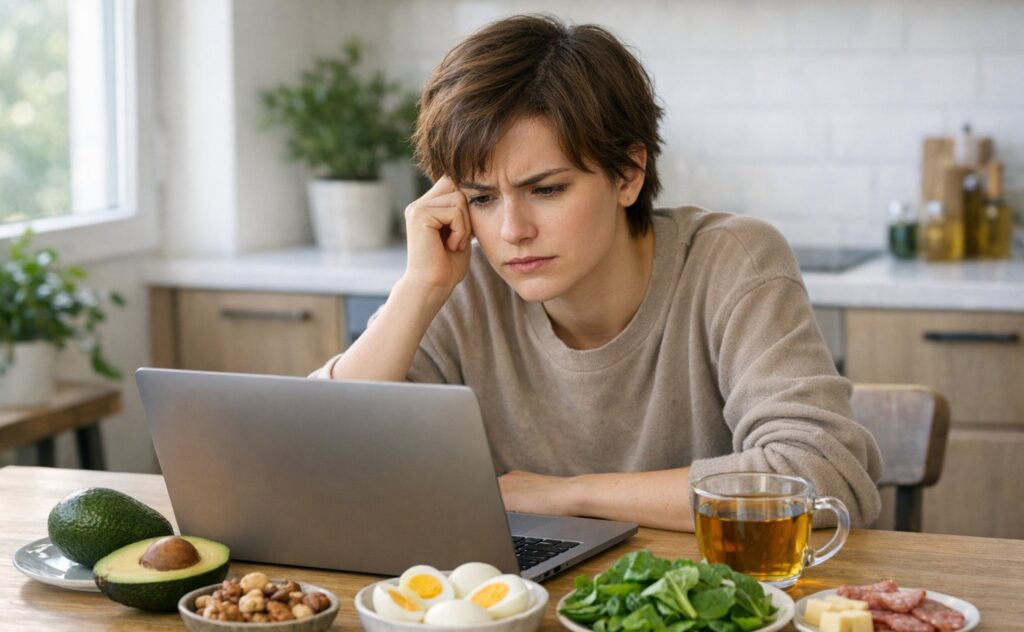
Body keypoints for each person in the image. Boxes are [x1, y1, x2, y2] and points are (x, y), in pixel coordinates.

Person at [310, 14, 882, 532]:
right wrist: (419, 289)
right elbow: (321, 456)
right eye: (482, 198)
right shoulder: (464, 283)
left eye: (547, 189)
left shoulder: (734, 261)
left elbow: (823, 474)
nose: (513, 230)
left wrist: (570, 496)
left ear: (628, 174)